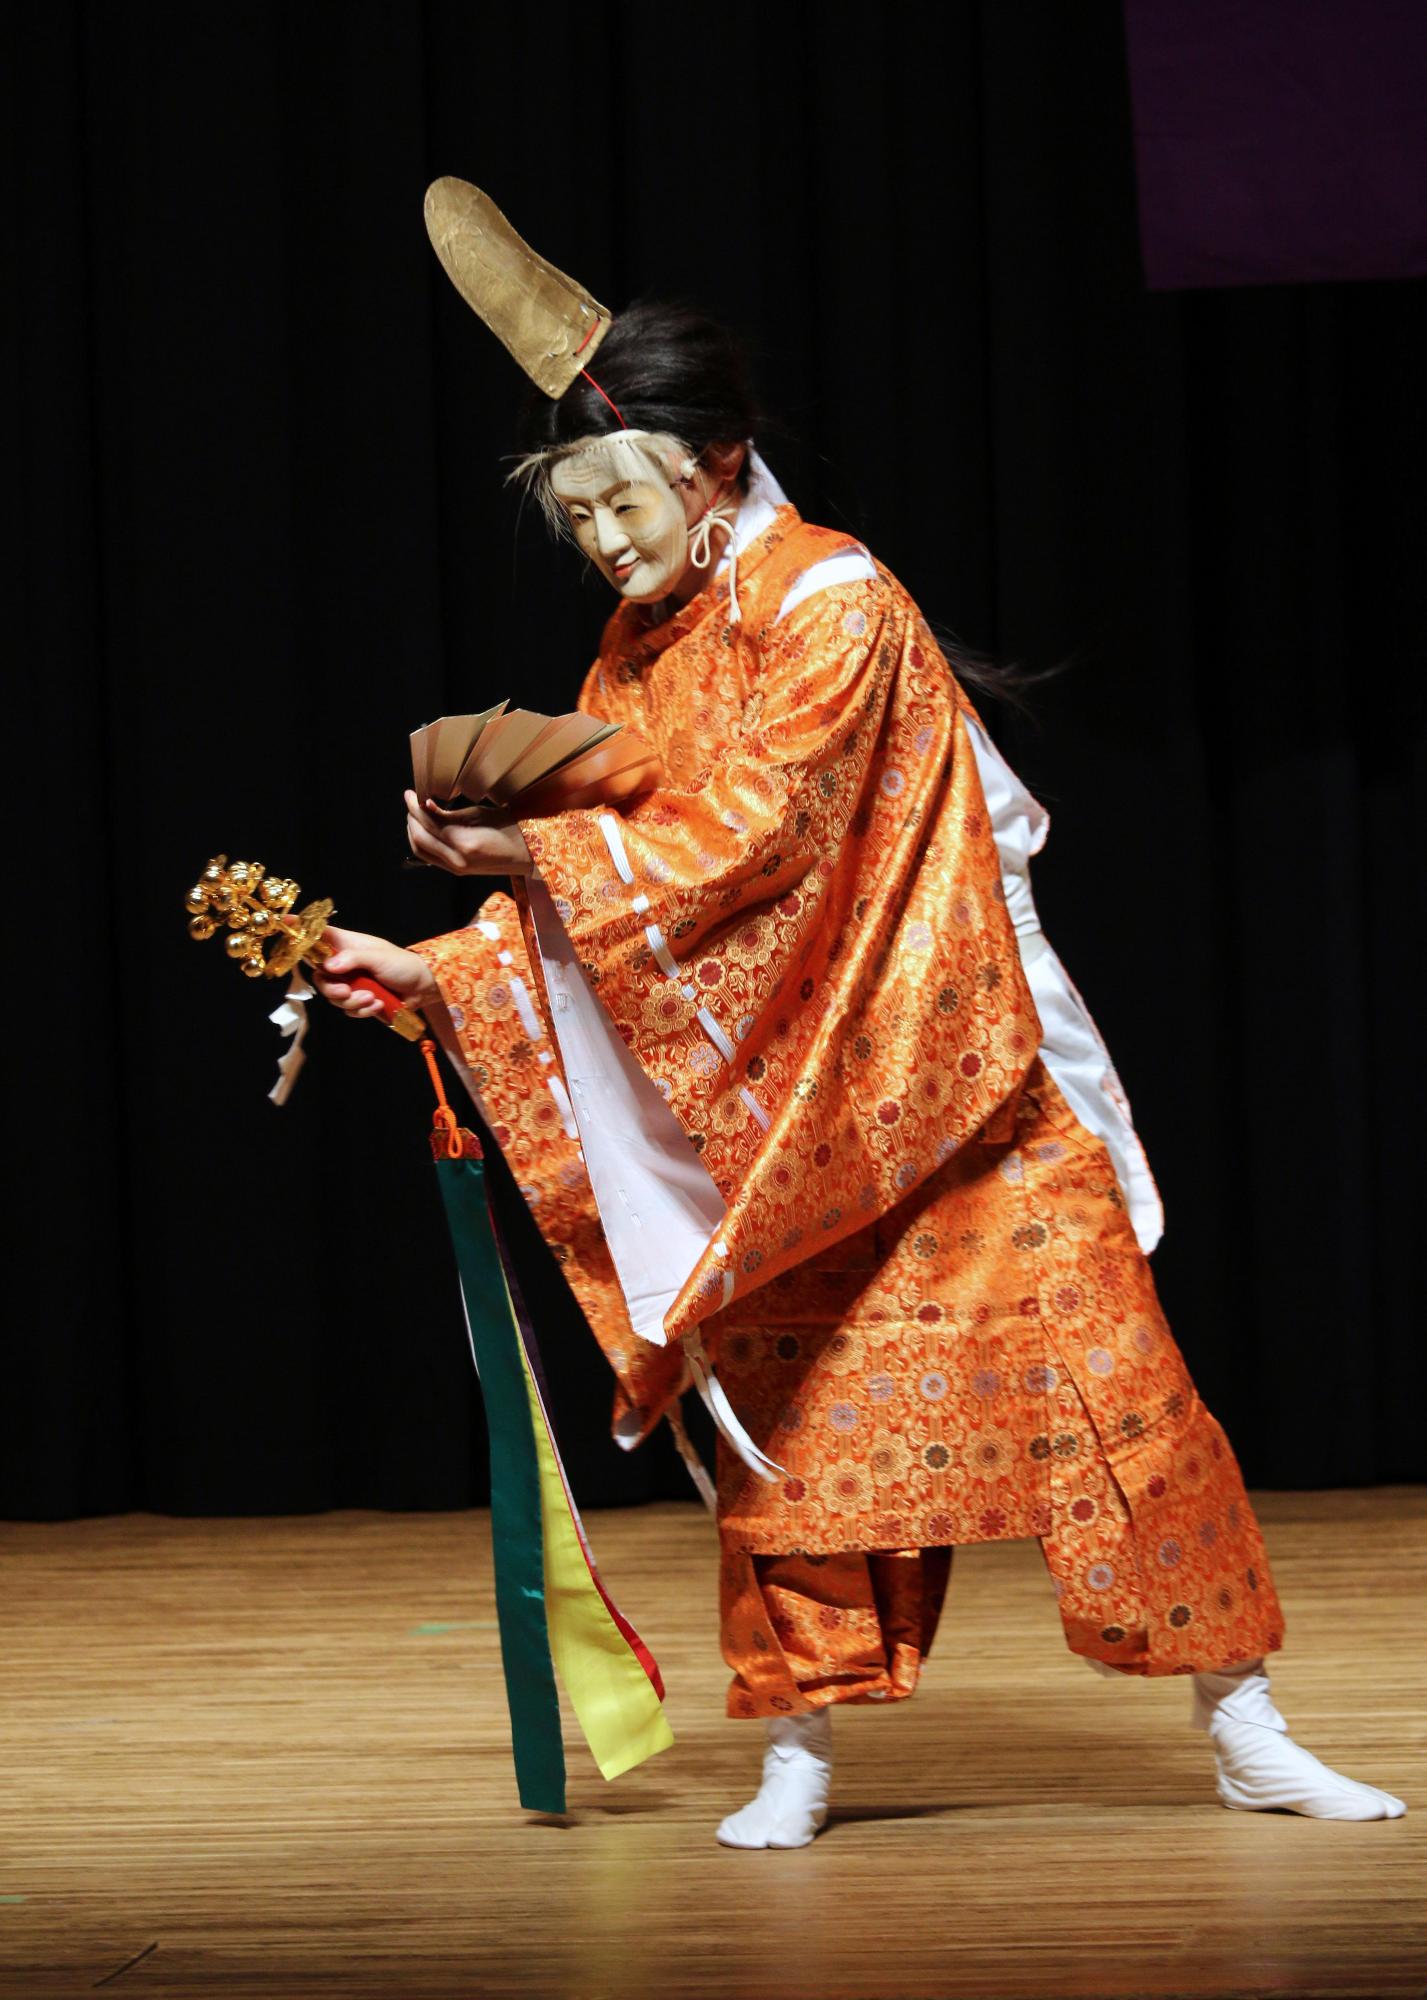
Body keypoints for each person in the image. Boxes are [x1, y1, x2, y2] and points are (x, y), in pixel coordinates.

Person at [314, 281, 1405, 1845]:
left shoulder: (833, 602)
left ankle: (1245, 1728)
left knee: (1124, 1399)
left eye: (629, 503)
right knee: (804, 1426)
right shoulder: (638, 651)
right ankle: (802, 1756)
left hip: (952, 1078)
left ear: (720, 461)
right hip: (789, 1107)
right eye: (578, 518)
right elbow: (621, 882)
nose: (609, 547)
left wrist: (536, 850)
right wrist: (441, 961)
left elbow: (757, 839)